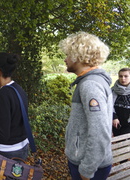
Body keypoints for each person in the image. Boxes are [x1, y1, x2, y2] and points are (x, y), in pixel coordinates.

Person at [59, 31, 113, 180]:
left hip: (90, 167)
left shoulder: (90, 85)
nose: (65, 59)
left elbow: (99, 131)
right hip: (90, 163)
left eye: (68, 55)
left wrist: (87, 169)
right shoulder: (91, 81)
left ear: (79, 56)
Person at [112, 68, 130, 136]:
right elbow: (108, 106)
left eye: (126, 76)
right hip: (115, 123)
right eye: (120, 76)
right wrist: (114, 117)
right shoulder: (113, 90)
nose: (123, 78)